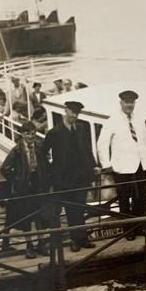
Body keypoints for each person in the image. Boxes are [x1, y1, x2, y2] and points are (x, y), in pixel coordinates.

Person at [97, 90, 146, 240]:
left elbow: (144, 141)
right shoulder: (112, 121)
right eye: (127, 102)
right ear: (121, 103)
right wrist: (106, 164)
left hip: (140, 166)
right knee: (124, 199)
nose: (129, 105)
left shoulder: (139, 120)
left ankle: (140, 227)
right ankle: (128, 230)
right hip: (122, 167)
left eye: (132, 102)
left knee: (141, 198)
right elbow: (102, 143)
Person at [41, 101, 98, 251]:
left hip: (81, 177)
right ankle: (75, 240)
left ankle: (82, 239)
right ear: (65, 111)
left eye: (77, 113)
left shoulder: (81, 128)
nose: (74, 115)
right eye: (72, 112)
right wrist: (51, 172)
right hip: (64, 180)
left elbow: (88, 150)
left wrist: (93, 167)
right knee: (70, 209)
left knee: (80, 208)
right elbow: (43, 153)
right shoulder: (55, 132)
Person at [0, 121, 53, 258]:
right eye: (28, 134)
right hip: (24, 188)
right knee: (26, 218)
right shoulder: (17, 150)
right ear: (22, 134)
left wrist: (47, 179)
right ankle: (29, 246)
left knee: (40, 216)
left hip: (38, 185)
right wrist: (16, 180)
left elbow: (46, 165)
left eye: (33, 133)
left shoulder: (39, 146)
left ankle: (41, 243)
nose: (31, 136)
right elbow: (4, 168)